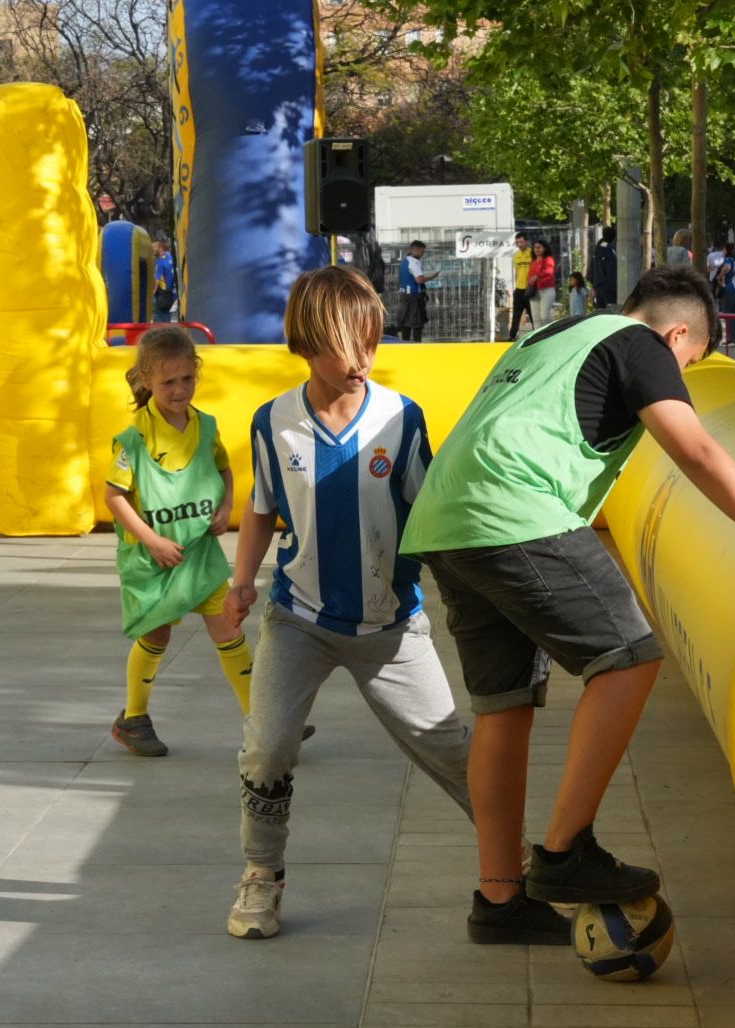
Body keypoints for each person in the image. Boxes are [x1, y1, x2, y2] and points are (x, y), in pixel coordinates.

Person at [401, 266, 735, 915]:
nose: (682, 374)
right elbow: (695, 449)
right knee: (630, 657)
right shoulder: (641, 346)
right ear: (677, 335)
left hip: (447, 521)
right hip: (517, 511)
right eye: (690, 364)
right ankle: (564, 854)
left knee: (502, 706)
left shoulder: (552, 334)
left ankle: (500, 898)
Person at [223, 267, 529, 946]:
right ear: (305, 342)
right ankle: (261, 875)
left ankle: (518, 864)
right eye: (349, 346)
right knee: (267, 748)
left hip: (392, 629)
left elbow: (436, 512)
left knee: (453, 752)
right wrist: (242, 582)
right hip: (297, 621)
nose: (365, 360)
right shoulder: (272, 423)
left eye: (374, 342)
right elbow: (261, 509)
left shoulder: (401, 417)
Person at [102, 325, 251, 757]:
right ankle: (133, 718)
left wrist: (225, 507)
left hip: (199, 552)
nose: (179, 389)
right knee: (159, 634)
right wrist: (151, 541)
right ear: (146, 380)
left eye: (187, 379)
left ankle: (262, 722)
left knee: (228, 627)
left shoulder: (206, 427)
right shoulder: (135, 439)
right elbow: (114, 496)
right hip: (156, 559)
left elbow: (223, 469)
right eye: (168, 382)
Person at [396, 239, 439, 342]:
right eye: (422, 251)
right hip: (413, 296)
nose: (422, 254)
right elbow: (419, 280)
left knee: (405, 322)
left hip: (404, 295)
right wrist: (432, 276)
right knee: (417, 323)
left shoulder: (405, 261)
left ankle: (405, 344)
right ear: (416, 250)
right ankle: (417, 345)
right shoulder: (414, 262)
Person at [715, 243, 735, 345]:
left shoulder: (727, 260)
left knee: (729, 315)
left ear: (726, 250)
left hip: (730, 290)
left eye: (723, 249)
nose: (722, 252)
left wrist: (719, 276)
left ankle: (731, 338)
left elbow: (726, 268)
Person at [527, 240, 557, 330]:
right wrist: (529, 281)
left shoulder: (548, 259)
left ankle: (550, 332)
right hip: (534, 291)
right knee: (535, 318)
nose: (537, 249)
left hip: (546, 290)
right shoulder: (533, 261)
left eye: (539, 247)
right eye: (535, 247)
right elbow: (529, 274)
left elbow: (549, 271)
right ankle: (537, 337)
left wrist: (537, 276)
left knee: (544, 316)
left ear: (545, 248)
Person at [508, 233, 533, 340]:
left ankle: (537, 335)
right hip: (519, 288)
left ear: (527, 241)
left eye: (521, 242)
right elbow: (516, 272)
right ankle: (512, 336)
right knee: (516, 315)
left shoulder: (533, 253)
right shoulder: (516, 255)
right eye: (517, 242)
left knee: (533, 315)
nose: (519, 244)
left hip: (531, 289)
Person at [589, 226, 618, 311]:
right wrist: (615, 290)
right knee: (611, 313)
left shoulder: (596, 249)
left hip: (598, 287)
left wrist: (593, 285)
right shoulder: (609, 251)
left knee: (600, 313)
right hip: (608, 289)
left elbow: (591, 270)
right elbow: (611, 272)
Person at [151, 237, 177, 323]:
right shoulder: (170, 257)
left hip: (163, 295)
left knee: (160, 321)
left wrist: (151, 294)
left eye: (156, 247)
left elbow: (157, 281)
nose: (155, 250)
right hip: (172, 294)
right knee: (166, 318)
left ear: (161, 248)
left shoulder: (160, 263)